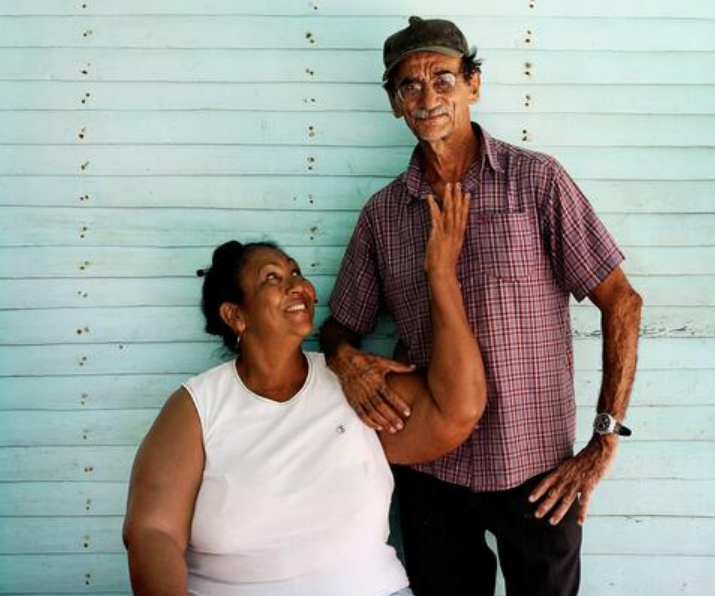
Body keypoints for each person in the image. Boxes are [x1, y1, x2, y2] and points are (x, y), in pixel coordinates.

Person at [320, 16, 644, 596]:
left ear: (473, 84)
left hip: (537, 469)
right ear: (395, 104)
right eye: (409, 87)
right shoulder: (384, 213)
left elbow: (621, 302)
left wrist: (602, 441)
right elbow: (341, 328)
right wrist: (346, 361)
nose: (427, 99)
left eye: (443, 79)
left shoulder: (535, 182)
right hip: (429, 468)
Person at [122, 185, 485, 596]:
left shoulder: (355, 383)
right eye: (273, 279)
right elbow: (153, 531)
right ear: (235, 316)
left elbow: (460, 408)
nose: (298, 285)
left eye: (296, 272)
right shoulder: (198, 407)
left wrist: (440, 274)